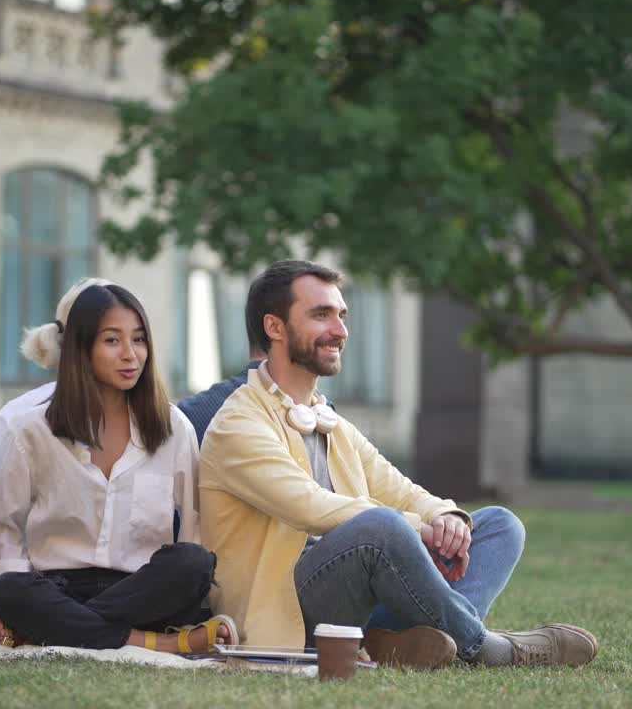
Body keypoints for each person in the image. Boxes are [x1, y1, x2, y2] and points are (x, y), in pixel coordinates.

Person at [200, 260, 598, 669]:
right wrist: (416, 528)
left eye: (342, 315)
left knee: (498, 525)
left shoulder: (327, 421)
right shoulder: (238, 424)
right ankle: (484, 648)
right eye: (321, 315)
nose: (340, 330)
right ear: (275, 327)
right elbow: (312, 506)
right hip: (289, 613)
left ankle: (396, 643)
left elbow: (398, 487)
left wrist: (445, 517)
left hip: (360, 605)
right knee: (381, 526)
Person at [0, 280, 235, 652]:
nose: (130, 355)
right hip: (57, 587)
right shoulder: (29, 429)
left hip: (143, 591)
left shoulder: (173, 428)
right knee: (8, 587)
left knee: (193, 564)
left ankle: (50, 630)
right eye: (112, 340)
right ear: (81, 349)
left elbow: (193, 530)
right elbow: (3, 533)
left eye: (139, 339)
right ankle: (159, 644)